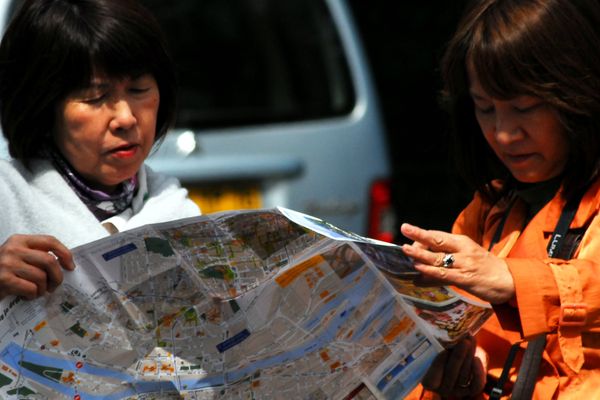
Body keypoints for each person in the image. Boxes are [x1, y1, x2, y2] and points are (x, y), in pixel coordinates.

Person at [401, 0, 600, 398]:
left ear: (580, 93)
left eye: (524, 108)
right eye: (485, 108)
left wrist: (512, 280)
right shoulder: (490, 208)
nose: (504, 134)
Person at [0, 0, 200, 301]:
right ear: (43, 107)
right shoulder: (6, 198)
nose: (126, 118)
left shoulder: (181, 215)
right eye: (95, 97)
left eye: (138, 90)